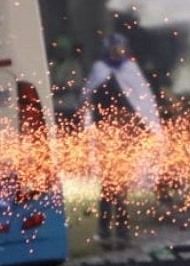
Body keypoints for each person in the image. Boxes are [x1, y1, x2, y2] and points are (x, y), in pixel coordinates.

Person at [82, 31, 164, 249]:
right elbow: (89, 100)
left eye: (120, 49)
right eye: (114, 49)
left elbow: (142, 103)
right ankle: (104, 227)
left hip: (125, 138)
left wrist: (141, 129)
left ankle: (122, 227)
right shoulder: (99, 71)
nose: (118, 53)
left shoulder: (131, 69)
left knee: (122, 186)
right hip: (105, 138)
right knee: (109, 186)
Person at [51, 35, 86, 136]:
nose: (61, 52)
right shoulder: (51, 65)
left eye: (63, 49)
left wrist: (61, 88)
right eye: (59, 49)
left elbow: (76, 85)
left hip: (69, 107)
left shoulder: (74, 65)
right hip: (55, 107)